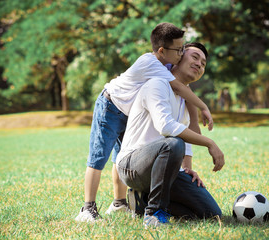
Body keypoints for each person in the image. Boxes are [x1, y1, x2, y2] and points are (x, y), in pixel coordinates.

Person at [75, 23, 214, 222]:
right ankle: (87, 208)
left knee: (119, 156)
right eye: (180, 50)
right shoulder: (151, 63)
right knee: (99, 157)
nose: (181, 53)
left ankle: (119, 202)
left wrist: (194, 110)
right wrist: (203, 106)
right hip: (111, 105)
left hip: (128, 111)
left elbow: (184, 90)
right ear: (162, 50)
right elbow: (180, 87)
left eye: (183, 49)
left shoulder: (167, 64)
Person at [116, 42, 224, 228]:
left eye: (204, 63)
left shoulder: (186, 99)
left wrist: (187, 169)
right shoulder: (157, 84)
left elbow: (185, 136)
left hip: (164, 167)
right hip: (132, 166)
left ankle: (142, 202)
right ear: (179, 57)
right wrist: (209, 143)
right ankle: (154, 213)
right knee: (173, 144)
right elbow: (166, 126)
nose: (199, 64)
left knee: (211, 214)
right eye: (195, 57)